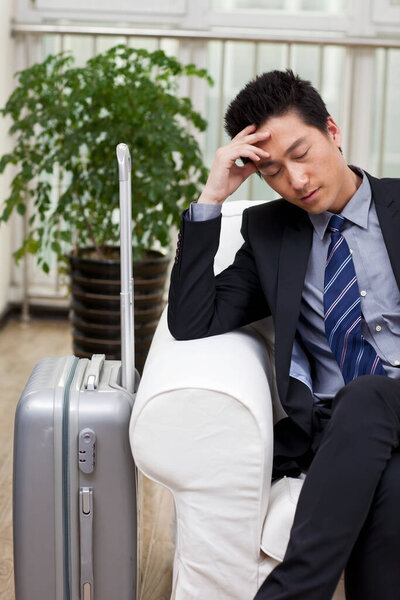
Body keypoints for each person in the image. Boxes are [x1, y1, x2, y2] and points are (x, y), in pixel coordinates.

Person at [167, 69, 400, 599]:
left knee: (366, 396)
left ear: (332, 131)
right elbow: (192, 320)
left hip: (384, 399)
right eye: (272, 170)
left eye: (302, 152)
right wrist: (213, 197)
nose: (296, 180)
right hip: (338, 431)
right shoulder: (270, 233)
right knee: (391, 486)